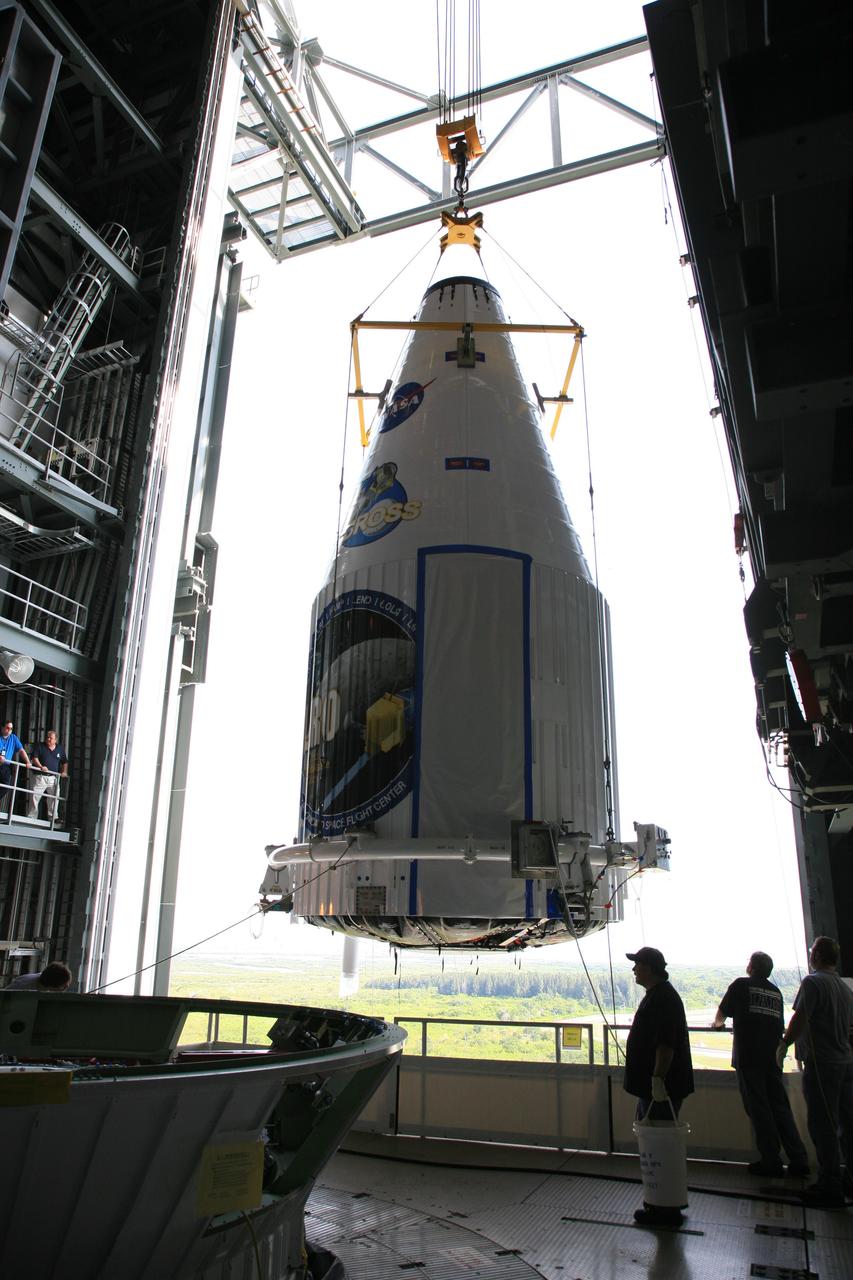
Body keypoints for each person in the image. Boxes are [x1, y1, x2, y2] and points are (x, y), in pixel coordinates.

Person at [713, 951, 809, 1178]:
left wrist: (717, 1025)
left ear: (752, 967)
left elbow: (722, 1014)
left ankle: (771, 1161)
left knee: (759, 1109)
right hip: (773, 1058)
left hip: (749, 1057)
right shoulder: (776, 992)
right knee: (780, 1108)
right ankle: (799, 1159)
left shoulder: (740, 985)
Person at [779, 935, 853, 1207]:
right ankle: (848, 1180)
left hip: (823, 1064)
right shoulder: (844, 988)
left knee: (823, 1126)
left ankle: (829, 1184)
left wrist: (784, 1044)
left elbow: (800, 1018)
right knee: (847, 1124)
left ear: (816, 956)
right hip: (845, 1063)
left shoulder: (813, 982)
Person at [624, 946, 694, 1227]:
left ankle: (664, 1209)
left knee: (659, 1147)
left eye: (637, 964)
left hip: (662, 1089)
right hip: (659, 1087)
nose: (634, 969)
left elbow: (666, 1044)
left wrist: (657, 1079)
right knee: (657, 1145)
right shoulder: (660, 995)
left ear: (649, 968)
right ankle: (661, 1204)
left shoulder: (663, 999)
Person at [27, 728, 69, 820]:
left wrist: (64, 771)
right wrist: (41, 766)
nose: (48, 739)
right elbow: (34, 757)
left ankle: (53, 817)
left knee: (54, 797)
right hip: (40, 776)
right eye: (47, 737)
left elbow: (65, 762)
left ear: (55, 740)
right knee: (35, 796)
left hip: (53, 778)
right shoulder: (40, 746)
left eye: (51, 738)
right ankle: (31, 817)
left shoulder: (59, 749)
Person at [0, 718, 31, 813]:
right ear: (2, 728)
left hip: (5, 766)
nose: (9, 730)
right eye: (7, 728)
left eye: (11, 729)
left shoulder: (13, 738)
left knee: (6, 787)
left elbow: (21, 750)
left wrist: (27, 761)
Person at [6, 961, 72, 991]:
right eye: (63, 986)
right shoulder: (28, 992)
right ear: (51, 986)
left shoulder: (42, 977)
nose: (67, 986)